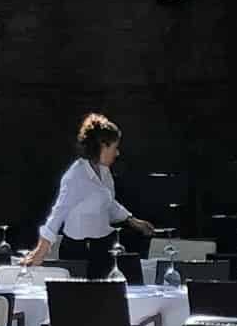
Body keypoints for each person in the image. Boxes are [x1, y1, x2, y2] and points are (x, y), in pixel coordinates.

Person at [34, 112, 152, 278]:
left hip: (104, 248)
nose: (117, 153)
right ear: (103, 146)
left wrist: (133, 221)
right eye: (114, 148)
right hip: (78, 253)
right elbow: (58, 213)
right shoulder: (76, 175)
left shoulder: (105, 171)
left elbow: (108, 202)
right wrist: (41, 250)